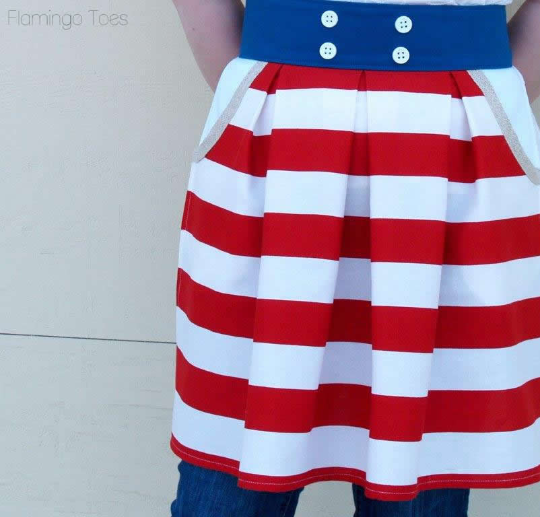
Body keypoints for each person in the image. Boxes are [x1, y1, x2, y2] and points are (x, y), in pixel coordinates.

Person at [169, 0, 540, 515]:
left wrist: (493, 95)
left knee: (421, 454)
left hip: (454, 130)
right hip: (280, 124)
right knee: (234, 459)